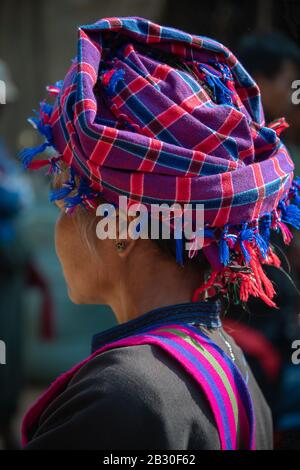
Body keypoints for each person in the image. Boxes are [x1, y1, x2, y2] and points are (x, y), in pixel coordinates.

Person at [18, 17, 300, 450]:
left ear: (123, 230)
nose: (58, 229)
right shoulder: (230, 362)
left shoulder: (120, 397)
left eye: (64, 206)